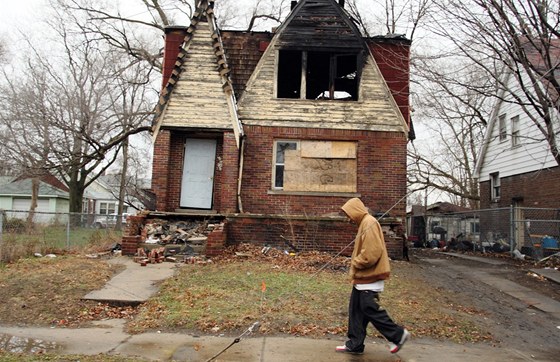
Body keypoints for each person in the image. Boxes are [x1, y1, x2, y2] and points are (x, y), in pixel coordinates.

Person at [336, 197, 410, 355]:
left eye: (348, 214)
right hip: (362, 279)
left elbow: (372, 253)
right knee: (356, 311)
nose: (348, 219)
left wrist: (356, 262)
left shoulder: (369, 223)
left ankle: (398, 335)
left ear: (355, 211)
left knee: (370, 309)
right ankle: (355, 344)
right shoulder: (364, 223)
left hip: (370, 277)